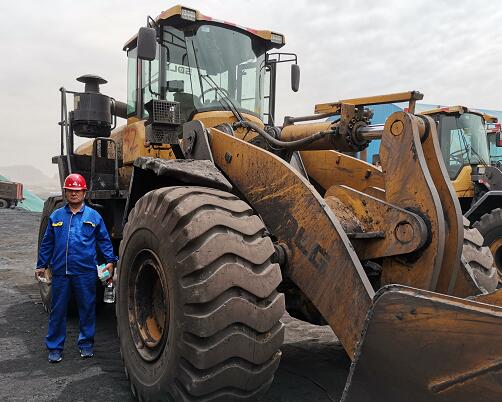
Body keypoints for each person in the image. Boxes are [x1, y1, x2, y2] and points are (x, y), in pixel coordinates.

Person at [35, 173, 117, 363]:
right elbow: (47, 243)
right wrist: (41, 265)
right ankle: (55, 348)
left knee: (87, 309)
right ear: (65, 192)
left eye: (77, 190)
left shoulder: (93, 216)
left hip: (85, 273)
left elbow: (104, 240)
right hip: (61, 273)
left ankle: (86, 345)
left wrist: (111, 261)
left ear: (84, 192)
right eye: (70, 190)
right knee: (57, 311)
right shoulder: (56, 216)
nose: (74, 193)